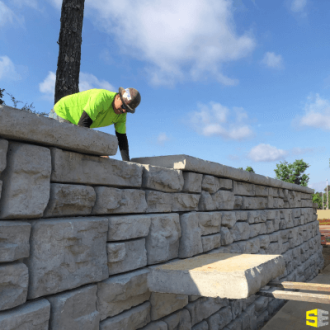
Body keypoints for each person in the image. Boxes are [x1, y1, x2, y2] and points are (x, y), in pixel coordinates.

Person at [49, 87, 141, 161]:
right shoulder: (101, 98)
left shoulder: (121, 115)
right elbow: (83, 125)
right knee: (62, 154)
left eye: (127, 110)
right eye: (123, 106)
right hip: (63, 112)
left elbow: (122, 139)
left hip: (77, 123)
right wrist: (97, 152)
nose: (124, 111)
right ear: (118, 97)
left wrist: (127, 164)